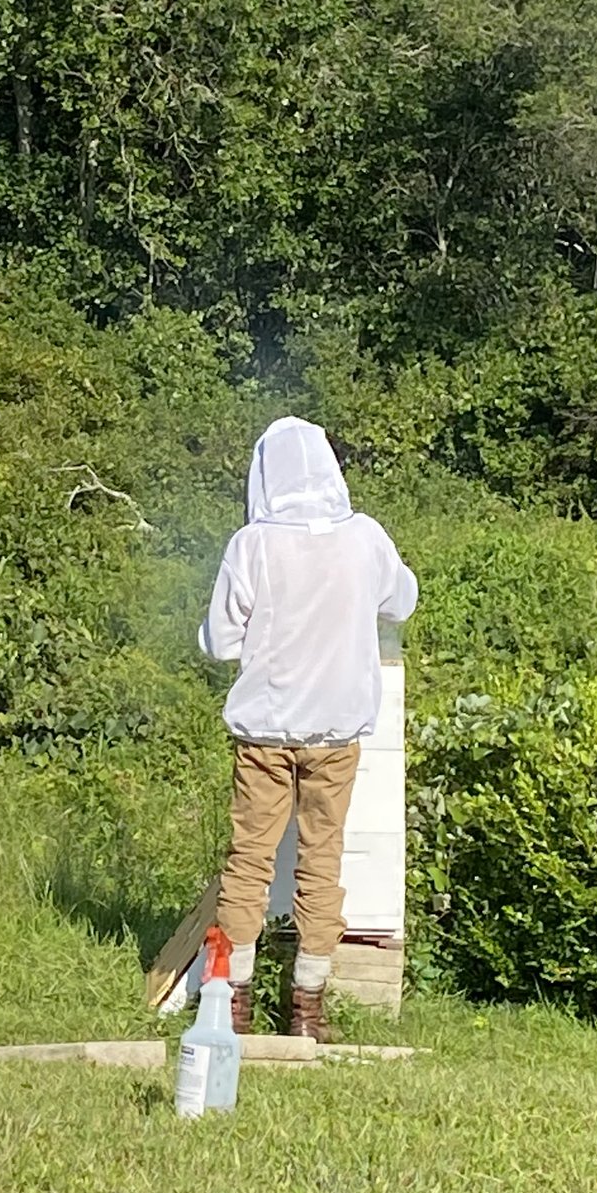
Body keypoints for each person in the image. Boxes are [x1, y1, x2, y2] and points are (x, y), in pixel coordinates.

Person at [200, 417, 417, 1041]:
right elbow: (401, 602)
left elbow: (219, 643)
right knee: (321, 864)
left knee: (248, 865)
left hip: (265, 732)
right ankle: (309, 1014)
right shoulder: (366, 538)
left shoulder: (251, 545)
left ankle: (230, 1009)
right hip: (336, 732)